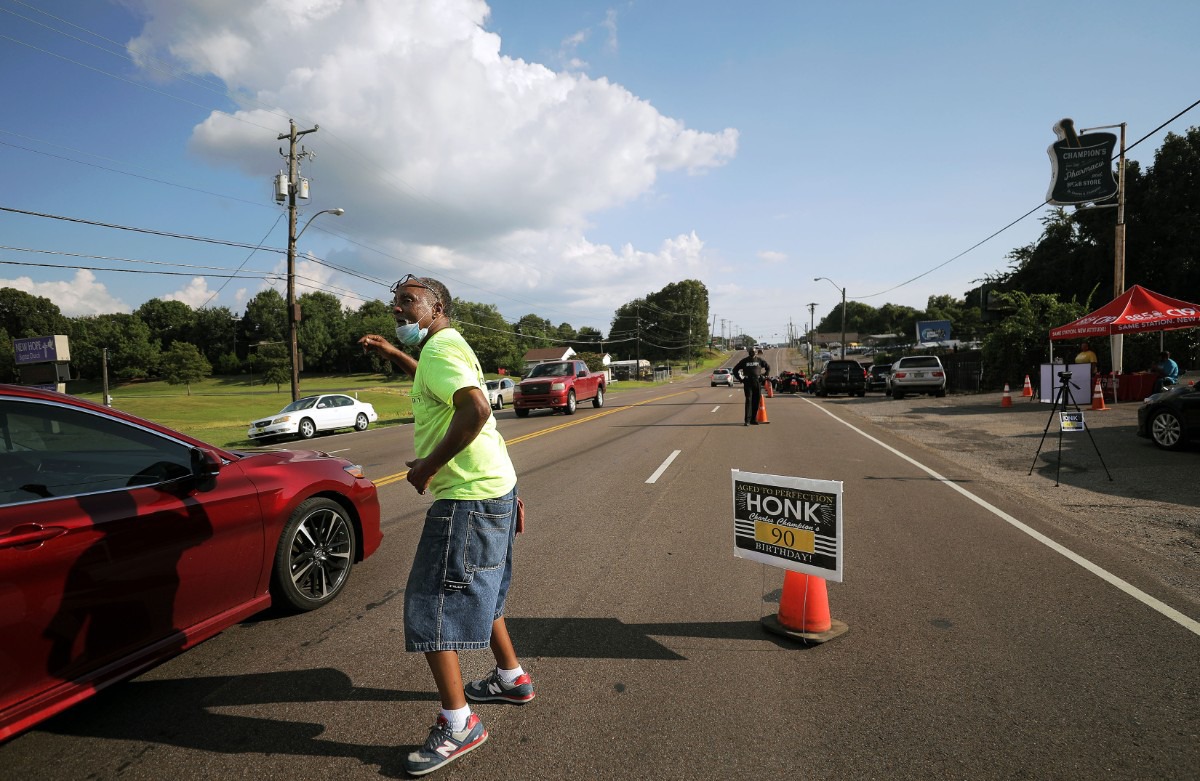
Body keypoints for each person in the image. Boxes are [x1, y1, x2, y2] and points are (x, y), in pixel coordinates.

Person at [359, 274, 533, 777]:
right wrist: (395, 353)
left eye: (408, 302)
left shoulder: (440, 351)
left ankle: (459, 725)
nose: (398, 308)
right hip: (494, 486)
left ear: (436, 307)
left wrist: (428, 466)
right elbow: (437, 384)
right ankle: (511, 677)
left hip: (467, 497)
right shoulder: (445, 348)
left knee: (432, 605)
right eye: (395, 303)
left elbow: (476, 408)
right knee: (483, 588)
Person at [731, 345, 769, 425]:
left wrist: (764, 376)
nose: (752, 353)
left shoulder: (759, 360)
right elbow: (735, 370)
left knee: (756, 401)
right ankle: (747, 420)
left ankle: (753, 419)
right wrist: (740, 379)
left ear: (756, 352)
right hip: (748, 382)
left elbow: (768, 367)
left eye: (754, 352)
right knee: (749, 400)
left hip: (757, 381)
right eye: (751, 352)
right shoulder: (744, 361)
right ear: (749, 353)